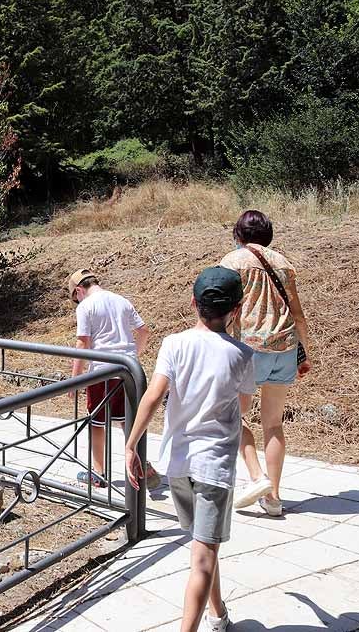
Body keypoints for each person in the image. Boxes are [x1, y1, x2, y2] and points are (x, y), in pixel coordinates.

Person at [125, 266, 256, 632]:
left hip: (178, 465)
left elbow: (153, 396)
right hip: (213, 467)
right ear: (238, 308)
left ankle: (219, 614)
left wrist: (132, 444)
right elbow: (243, 408)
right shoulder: (243, 355)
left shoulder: (173, 344)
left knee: (203, 546)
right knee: (203, 557)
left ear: (194, 303)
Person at [220, 210, 312, 517]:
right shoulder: (284, 263)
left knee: (234, 416)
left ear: (238, 235)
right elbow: (297, 314)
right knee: (273, 423)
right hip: (285, 348)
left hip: (249, 349)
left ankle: (256, 477)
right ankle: (273, 497)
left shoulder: (232, 263)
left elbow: (223, 308)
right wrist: (305, 352)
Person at [66, 269, 159, 489]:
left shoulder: (86, 306)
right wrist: (133, 355)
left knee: (97, 422)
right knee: (129, 418)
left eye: (74, 297)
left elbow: (82, 344)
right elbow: (144, 331)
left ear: (79, 290)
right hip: (128, 369)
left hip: (103, 371)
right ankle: (140, 463)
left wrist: (75, 379)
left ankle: (99, 473)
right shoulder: (122, 300)